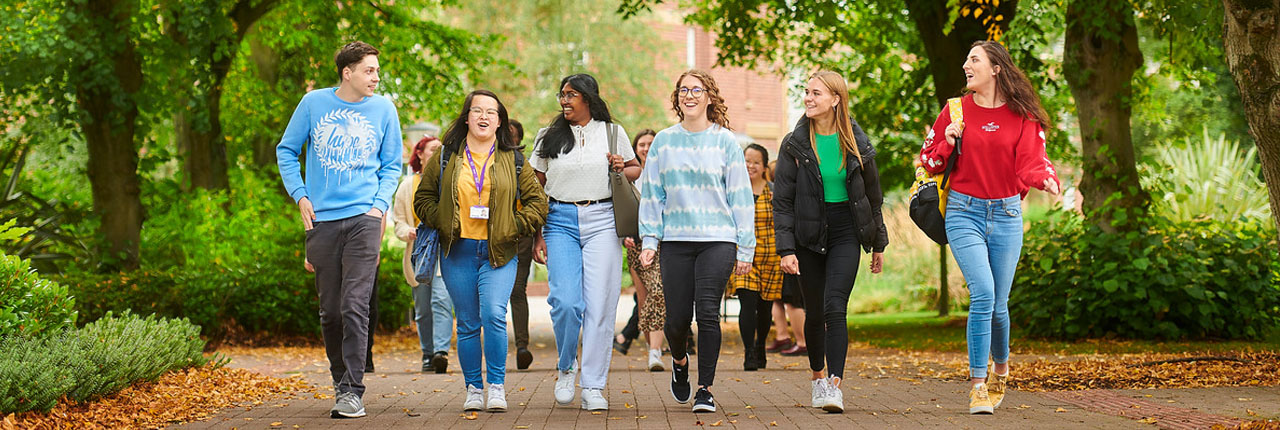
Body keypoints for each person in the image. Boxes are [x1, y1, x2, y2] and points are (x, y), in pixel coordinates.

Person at [917, 41, 1059, 415]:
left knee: (999, 304)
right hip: (964, 212)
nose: (966, 65)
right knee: (982, 294)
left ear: (996, 68)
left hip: (1007, 215)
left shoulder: (1023, 116)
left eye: (974, 59)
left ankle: (1002, 369)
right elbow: (928, 161)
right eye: (966, 59)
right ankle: (978, 386)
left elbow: (1032, 162)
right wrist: (946, 144)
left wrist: (1046, 180)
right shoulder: (954, 111)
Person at [276, 41, 401, 419]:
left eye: (377, 71)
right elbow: (286, 150)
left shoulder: (383, 109)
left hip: (365, 217)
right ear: (348, 73)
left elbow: (392, 164)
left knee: (355, 305)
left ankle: (352, 390)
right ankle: (339, 380)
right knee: (330, 311)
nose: (376, 77)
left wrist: (379, 206)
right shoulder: (313, 104)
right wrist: (300, 195)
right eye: (369, 70)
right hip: (323, 221)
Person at [414, 90, 548, 413]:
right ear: (467, 117)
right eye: (477, 111)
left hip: (499, 252)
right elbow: (423, 199)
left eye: (491, 112)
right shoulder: (447, 157)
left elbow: (538, 203)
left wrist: (513, 225)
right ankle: (474, 387)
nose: (484, 117)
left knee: (493, 315)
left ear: (499, 120)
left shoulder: (513, 159)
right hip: (457, 251)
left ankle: (497, 386)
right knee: (470, 323)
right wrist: (444, 220)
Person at [637, 69, 754, 414]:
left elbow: (740, 196)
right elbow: (652, 194)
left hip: (718, 239)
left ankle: (704, 389)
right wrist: (649, 238)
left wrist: (745, 247)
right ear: (677, 98)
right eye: (683, 90)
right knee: (675, 320)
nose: (689, 95)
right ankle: (679, 360)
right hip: (675, 240)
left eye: (696, 89)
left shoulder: (725, 142)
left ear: (709, 96)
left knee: (707, 312)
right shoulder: (664, 142)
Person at [774, 70, 888, 414]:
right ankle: (817, 378)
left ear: (836, 99)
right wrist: (786, 249)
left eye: (816, 93)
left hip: (845, 232)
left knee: (835, 306)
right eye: (806, 92)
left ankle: (835, 386)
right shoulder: (794, 144)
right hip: (808, 235)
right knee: (814, 310)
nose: (808, 98)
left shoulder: (857, 142)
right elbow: (782, 200)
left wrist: (878, 243)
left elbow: (873, 196)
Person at [530, 73, 640, 411]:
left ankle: (594, 385)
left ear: (588, 98)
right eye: (562, 95)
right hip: (559, 221)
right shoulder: (547, 136)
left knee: (600, 305)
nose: (564, 101)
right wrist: (536, 234)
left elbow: (635, 169)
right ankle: (566, 367)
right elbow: (535, 187)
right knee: (566, 303)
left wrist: (622, 165)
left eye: (571, 95)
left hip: (603, 220)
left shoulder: (612, 132)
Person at [391, 135, 455, 373]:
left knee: (441, 300)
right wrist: (407, 231)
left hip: (445, 250)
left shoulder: (451, 181)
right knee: (423, 308)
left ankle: (441, 352)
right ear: (419, 154)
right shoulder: (408, 186)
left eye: (441, 149)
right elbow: (398, 221)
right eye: (432, 149)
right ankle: (427, 353)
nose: (437, 153)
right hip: (419, 251)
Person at [728, 143, 783, 372]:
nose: (750, 165)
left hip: (770, 256)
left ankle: (761, 346)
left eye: (756, 162)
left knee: (765, 307)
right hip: (743, 257)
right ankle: (749, 352)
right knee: (747, 304)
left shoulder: (774, 191)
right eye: (746, 160)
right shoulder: (732, 191)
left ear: (764, 167)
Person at [616, 129, 667, 371]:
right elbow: (621, 208)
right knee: (645, 298)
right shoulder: (631, 176)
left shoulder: (665, 172)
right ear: (635, 149)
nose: (646, 148)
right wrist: (625, 234)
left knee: (659, 292)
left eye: (651, 143)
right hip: (635, 243)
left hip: (662, 242)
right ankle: (651, 350)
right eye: (642, 144)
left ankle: (656, 350)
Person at [506, 119, 536, 371]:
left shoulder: (524, 165)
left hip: (520, 234)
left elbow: (535, 201)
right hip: (488, 233)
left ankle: (522, 346)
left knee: (517, 289)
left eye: (512, 134)